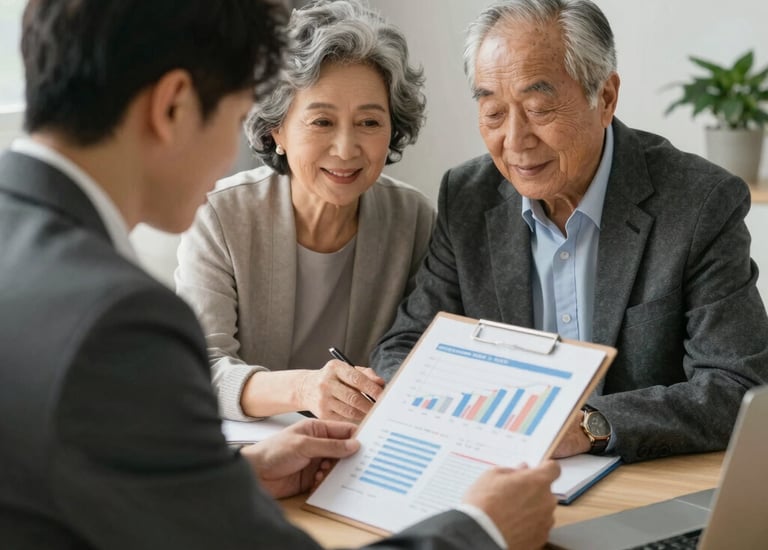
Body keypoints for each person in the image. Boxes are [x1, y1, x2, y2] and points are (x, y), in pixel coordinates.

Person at [0, 0, 560, 548]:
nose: (228, 156)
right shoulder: (120, 320)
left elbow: (90, 493)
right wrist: (482, 530)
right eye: (236, 110)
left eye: (369, 120)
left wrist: (237, 478)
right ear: (173, 105)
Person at [371, 0, 768, 464]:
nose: (516, 141)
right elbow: (406, 346)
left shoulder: (698, 202)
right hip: (499, 472)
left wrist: (590, 425)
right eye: (494, 113)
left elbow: (737, 387)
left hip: (642, 479)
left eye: (538, 109)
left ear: (606, 98)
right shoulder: (468, 196)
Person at [174, 0, 434, 424]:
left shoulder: (414, 219)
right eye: (321, 122)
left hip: (359, 455)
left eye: (369, 123)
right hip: (256, 456)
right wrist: (303, 389)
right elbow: (200, 368)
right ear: (277, 129)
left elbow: (421, 356)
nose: (347, 149)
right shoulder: (221, 216)